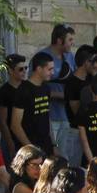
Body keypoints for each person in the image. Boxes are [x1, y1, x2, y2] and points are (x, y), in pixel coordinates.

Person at [36, 24, 78, 160]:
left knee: (65, 155)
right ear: (60, 41)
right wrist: (58, 95)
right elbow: (37, 86)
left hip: (65, 114)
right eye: (70, 40)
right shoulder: (43, 57)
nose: (72, 43)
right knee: (51, 155)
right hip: (49, 115)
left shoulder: (70, 57)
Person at [8, 53, 55, 155]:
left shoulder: (46, 88)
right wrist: (31, 148)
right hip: (29, 149)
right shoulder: (23, 90)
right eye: (49, 69)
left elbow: (47, 117)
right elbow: (15, 125)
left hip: (46, 145)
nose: (53, 72)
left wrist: (54, 144)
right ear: (39, 69)